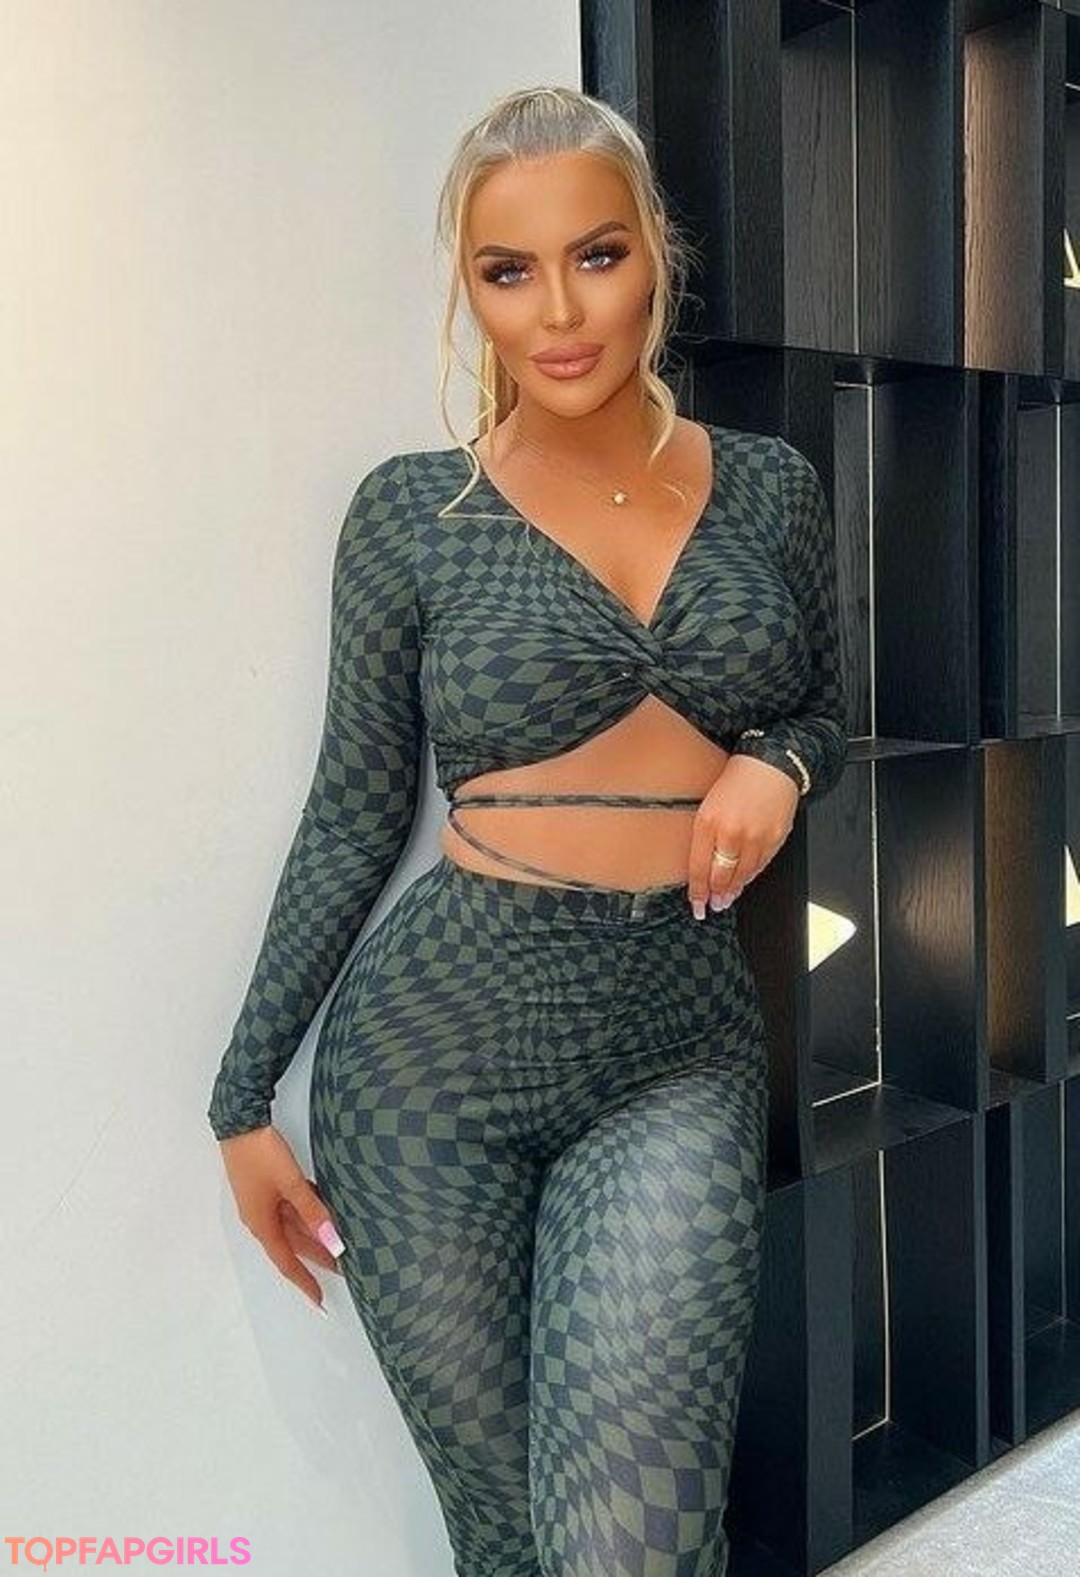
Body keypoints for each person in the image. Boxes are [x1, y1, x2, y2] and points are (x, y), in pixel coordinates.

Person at [208, 84, 848, 1577]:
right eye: (510, 271)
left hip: (675, 1050)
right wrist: (241, 1099)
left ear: (656, 255)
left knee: (633, 1543)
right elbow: (357, 806)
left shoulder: (773, 487)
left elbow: (824, 702)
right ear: (471, 290)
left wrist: (781, 765)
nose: (558, 313)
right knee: (503, 1539)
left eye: (597, 256)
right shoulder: (412, 515)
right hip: (429, 1069)